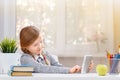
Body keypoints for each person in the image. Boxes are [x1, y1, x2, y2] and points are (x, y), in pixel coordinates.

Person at [20, 26, 93, 73]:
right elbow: (42, 68)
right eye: (35, 45)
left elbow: (59, 68)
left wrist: (78, 70)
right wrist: (68, 71)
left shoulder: (45, 54)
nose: (40, 46)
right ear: (25, 46)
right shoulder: (25, 59)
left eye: (41, 42)